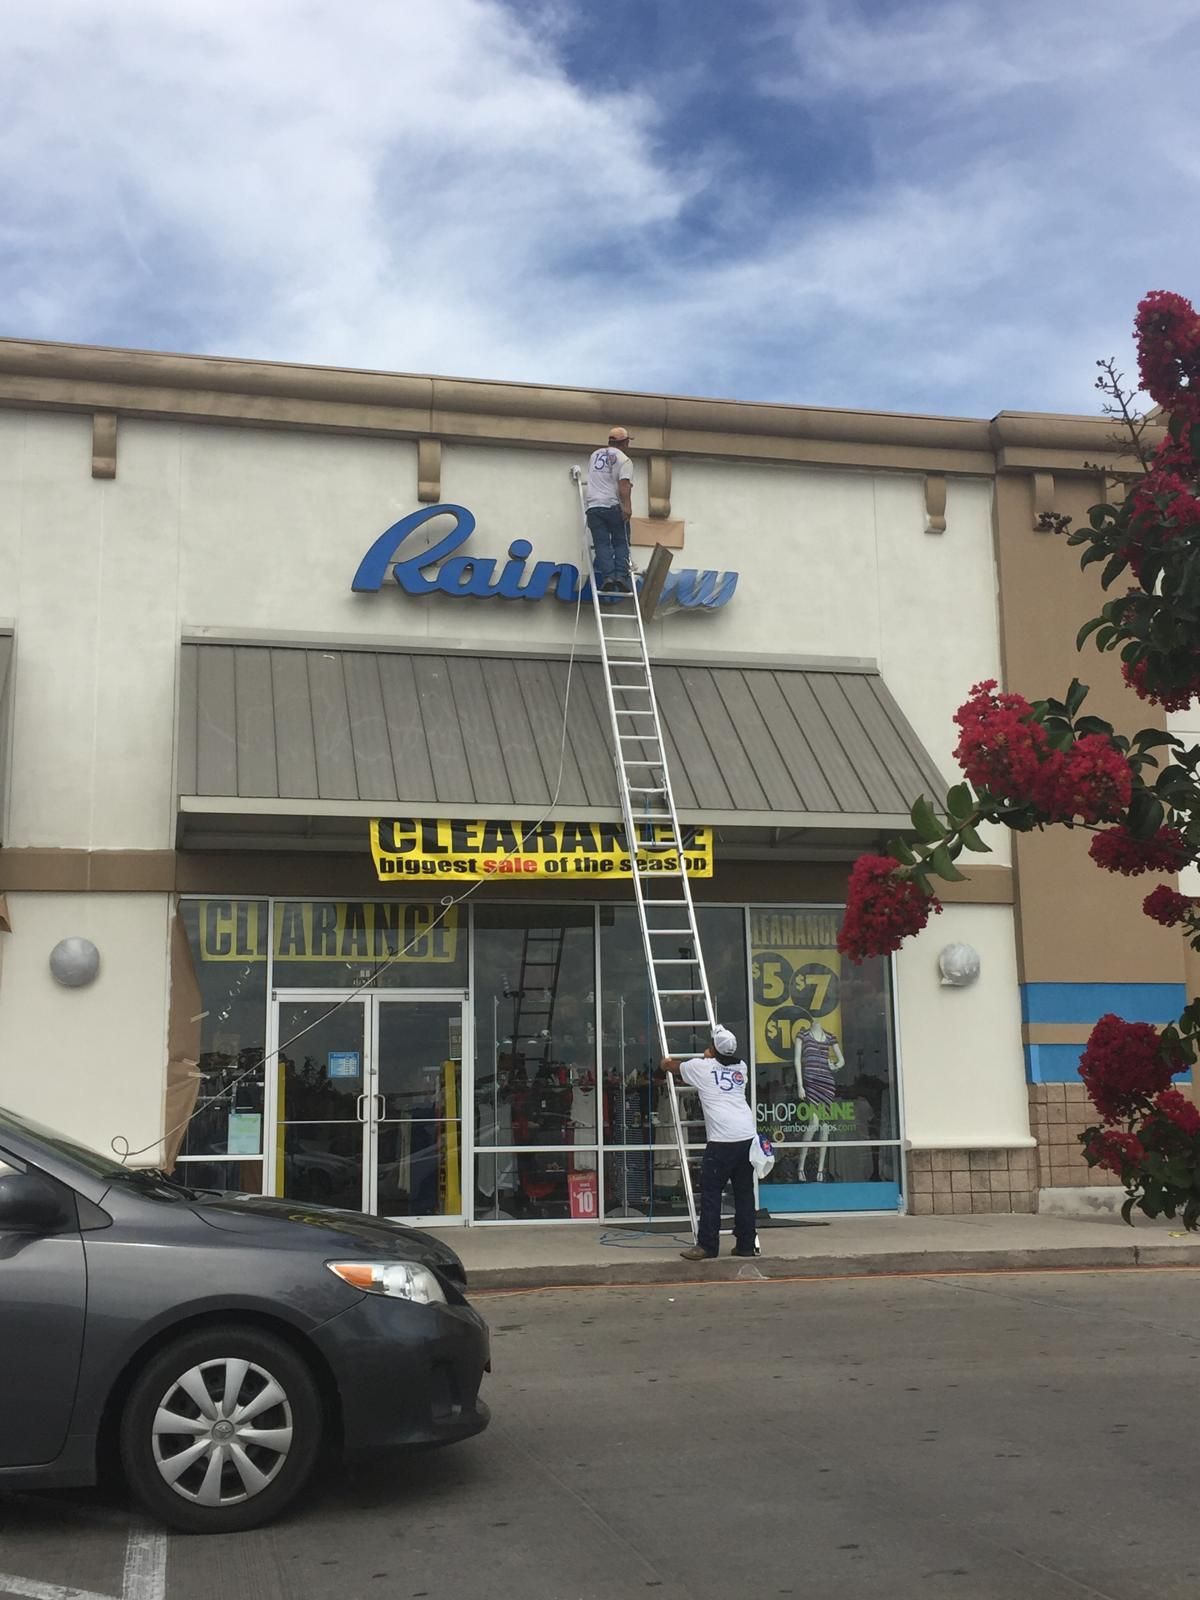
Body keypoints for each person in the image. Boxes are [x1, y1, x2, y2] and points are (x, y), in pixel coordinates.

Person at [661, 1025, 758, 1261]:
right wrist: (710, 1055)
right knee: (744, 1193)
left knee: (711, 1192)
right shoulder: (741, 1068)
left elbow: (672, 1067)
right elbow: (720, 1063)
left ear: (713, 1049)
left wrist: (664, 1063)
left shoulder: (701, 1068)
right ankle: (745, 1244)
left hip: (722, 1140)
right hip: (747, 1135)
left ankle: (707, 1245)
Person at [584, 426, 635, 592]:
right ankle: (620, 576)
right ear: (625, 442)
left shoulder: (595, 455)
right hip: (612, 505)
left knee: (601, 544)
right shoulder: (625, 460)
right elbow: (624, 486)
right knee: (621, 542)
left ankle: (607, 577)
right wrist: (627, 507)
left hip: (593, 507)